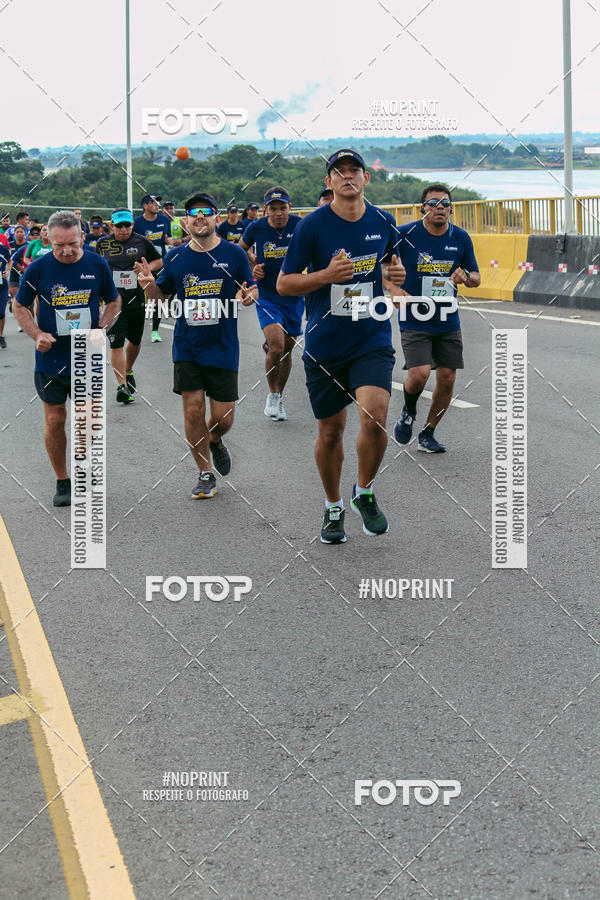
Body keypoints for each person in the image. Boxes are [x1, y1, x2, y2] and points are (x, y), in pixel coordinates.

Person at [277, 149, 406, 543]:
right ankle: (333, 505)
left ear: (366, 178)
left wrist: (393, 276)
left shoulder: (384, 220)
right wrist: (325, 275)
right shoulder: (312, 227)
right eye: (339, 172)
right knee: (331, 432)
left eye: (355, 171)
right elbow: (284, 284)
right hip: (325, 343)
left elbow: (390, 266)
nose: (348, 177)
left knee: (376, 415)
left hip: (371, 336)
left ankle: (363, 492)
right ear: (329, 182)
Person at [137, 192, 257, 499]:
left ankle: (214, 440)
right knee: (192, 410)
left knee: (223, 417)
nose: (199, 217)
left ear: (216, 218)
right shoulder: (176, 257)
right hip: (187, 345)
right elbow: (159, 297)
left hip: (223, 345)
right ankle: (205, 472)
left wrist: (248, 296)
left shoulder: (233, 254)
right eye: (193, 213)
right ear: (185, 221)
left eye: (206, 212)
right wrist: (149, 284)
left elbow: (250, 291)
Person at [13, 210, 120, 507]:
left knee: (86, 419)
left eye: (73, 243)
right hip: (52, 357)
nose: (67, 250)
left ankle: (85, 470)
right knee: (56, 417)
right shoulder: (38, 268)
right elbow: (19, 307)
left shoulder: (97, 263)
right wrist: (37, 335)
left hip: (86, 355)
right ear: (49, 239)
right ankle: (63, 479)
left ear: (83, 237)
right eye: (59, 245)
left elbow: (113, 301)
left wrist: (102, 328)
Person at [393, 183, 480, 453]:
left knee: (447, 377)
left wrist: (466, 277)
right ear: (423, 208)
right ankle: (408, 412)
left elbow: (476, 277)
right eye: (433, 203)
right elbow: (383, 266)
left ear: (451, 209)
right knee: (418, 375)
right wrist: (395, 290)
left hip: (446, 317)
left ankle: (428, 433)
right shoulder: (404, 235)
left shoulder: (461, 238)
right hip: (415, 315)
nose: (439, 207)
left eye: (444, 203)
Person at [239, 187, 303, 422]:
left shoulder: (299, 225)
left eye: (282, 208)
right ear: (265, 210)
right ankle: (272, 395)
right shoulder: (256, 227)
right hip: (267, 295)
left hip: (295, 296)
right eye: (273, 209)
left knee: (287, 350)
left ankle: (280, 396)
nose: (278, 213)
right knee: (276, 346)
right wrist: (252, 269)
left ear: (290, 207)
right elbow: (240, 250)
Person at [95, 208, 163, 403]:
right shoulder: (103, 243)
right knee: (116, 343)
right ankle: (122, 386)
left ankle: (128, 369)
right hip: (113, 300)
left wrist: (146, 269)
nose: (123, 229)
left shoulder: (141, 241)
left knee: (134, 340)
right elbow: (95, 265)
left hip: (136, 298)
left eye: (127, 225)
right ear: (112, 226)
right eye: (119, 226)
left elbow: (158, 260)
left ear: (132, 225)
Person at [133, 193, 172, 342]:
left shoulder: (164, 220)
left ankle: (155, 330)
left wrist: (171, 241)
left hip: (159, 265)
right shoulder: (137, 223)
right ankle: (134, 329)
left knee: (158, 299)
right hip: (141, 266)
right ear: (145, 205)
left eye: (157, 202)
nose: (157, 204)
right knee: (138, 300)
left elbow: (167, 239)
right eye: (153, 202)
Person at [0, 239, 10, 347]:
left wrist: (8, 271)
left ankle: (1, 336)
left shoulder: (3, 249)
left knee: (1, 312)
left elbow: (10, 260)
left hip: (2, 285)